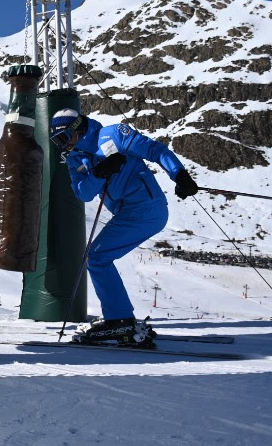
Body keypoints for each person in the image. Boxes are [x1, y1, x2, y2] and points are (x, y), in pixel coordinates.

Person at [49, 108, 199, 344]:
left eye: (64, 138)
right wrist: (99, 172)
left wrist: (179, 175)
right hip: (127, 213)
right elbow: (84, 193)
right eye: (57, 141)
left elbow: (153, 149)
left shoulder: (114, 135)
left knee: (97, 258)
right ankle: (119, 318)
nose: (63, 146)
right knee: (97, 258)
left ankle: (120, 320)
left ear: (77, 128)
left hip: (146, 209)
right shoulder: (76, 159)